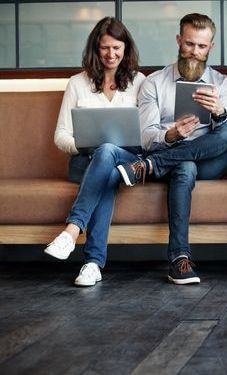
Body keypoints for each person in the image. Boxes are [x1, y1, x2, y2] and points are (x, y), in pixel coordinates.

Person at [116, 13, 227, 285]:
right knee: (185, 166)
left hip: (208, 162)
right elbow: (147, 138)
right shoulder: (154, 83)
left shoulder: (222, 84)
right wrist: (172, 134)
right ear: (178, 40)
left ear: (211, 47)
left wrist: (219, 113)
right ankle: (179, 259)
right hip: (177, 161)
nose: (195, 52)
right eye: (189, 44)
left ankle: (147, 167)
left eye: (202, 46)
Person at [44, 17, 145, 287]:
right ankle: (92, 264)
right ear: (95, 49)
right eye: (104, 48)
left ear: (126, 48)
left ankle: (72, 230)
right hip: (86, 162)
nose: (111, 55)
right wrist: (85, 144)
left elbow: (148, 136)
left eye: (116, 48)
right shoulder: (77, 83)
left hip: (128, 161)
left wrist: (107, 148)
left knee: (109, 152)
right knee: (106, 165)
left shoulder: (140, 82)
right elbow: (61, 136)